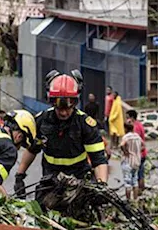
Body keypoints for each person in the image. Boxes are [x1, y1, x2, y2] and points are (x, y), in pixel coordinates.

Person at [13, 74, 108, 207]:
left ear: (75, 102)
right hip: (50, 181)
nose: (63, 113)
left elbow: (98, 160)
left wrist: (102, 186)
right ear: (51, 101)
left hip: (79, 180)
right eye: (59, 108)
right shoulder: (42, 121)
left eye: (68, 108)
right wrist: (19, 175)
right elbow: (32, 149)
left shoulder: (85, 124)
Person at [119, 119, 143, 202]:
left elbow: (122, 145)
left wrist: (126, 152)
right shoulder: (137, 136)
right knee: (135, 181)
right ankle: (135, 199)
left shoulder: (126, 137)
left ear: (125, 128)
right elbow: (143, 146)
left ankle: (128, 201)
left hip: (128, 161)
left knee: (127, 182)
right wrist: (137, 151)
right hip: (136, 161)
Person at [126, 108, 149, 193]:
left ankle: (139, 191)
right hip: (142, 153)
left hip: (138, 154)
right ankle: (141, 190)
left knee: (136, 175)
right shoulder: (139, 124)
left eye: (127, 117)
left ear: (132, 117)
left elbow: (137, 142)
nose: (127, 119)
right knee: (141, 173)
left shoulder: (135, 128)